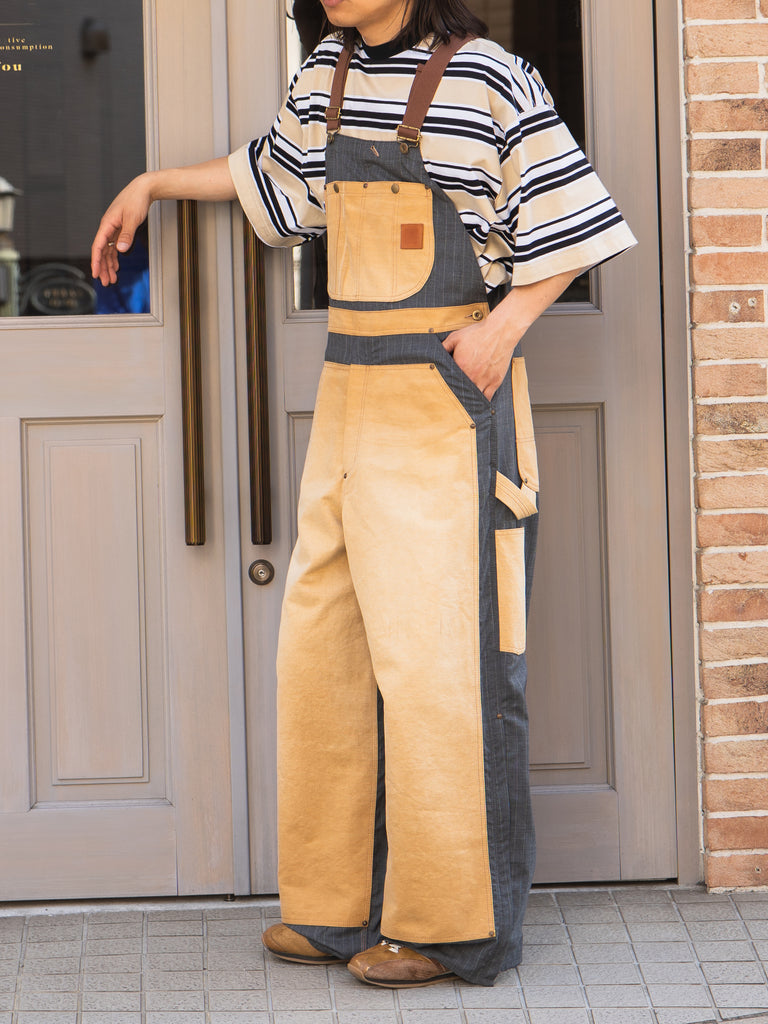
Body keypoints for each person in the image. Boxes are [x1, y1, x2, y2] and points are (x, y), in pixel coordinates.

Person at [92, 0, 636, 990]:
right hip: (348, 398)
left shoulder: (487, 77)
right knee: (322, 656)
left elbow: (570, 214)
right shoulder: (326, 75)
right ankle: (334, 906)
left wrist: (502, 329)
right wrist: (151, 183)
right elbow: (270, 178)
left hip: (443, 403)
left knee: (441, 669)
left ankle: (453, 928)